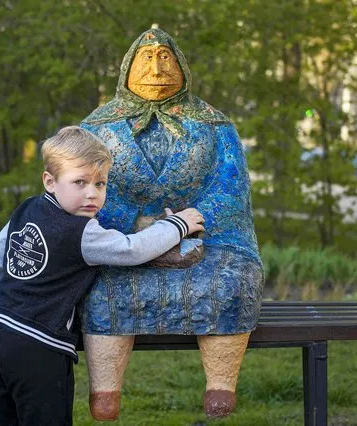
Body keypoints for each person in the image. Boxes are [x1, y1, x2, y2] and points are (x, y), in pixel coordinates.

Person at [79, 27, 264, 419]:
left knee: (229, 282)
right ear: (128, 68)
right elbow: (81, 192)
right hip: (121, 239)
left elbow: (231, 191)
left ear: (181, 67)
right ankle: (105, 390)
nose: (157, 68)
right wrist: (137, 222)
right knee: (100, 285)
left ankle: (220, 384)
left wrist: (192, 222)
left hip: (210, 239)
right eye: (147, 58)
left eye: (166, 57)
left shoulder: (216, 126)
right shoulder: (95, 129)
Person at [0, 126, 204, 426]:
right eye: (79, 182)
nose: (92, 193)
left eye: (101, 183)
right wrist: (176, 225)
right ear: (50, 181)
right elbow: (132, 250)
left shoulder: (26, 208)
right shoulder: (81, 232)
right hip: (39, 349)